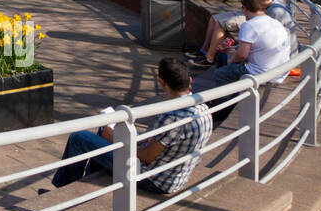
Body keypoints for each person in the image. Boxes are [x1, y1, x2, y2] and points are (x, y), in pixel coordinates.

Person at [51, 57, 212, 193]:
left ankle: (61, 188)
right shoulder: (203, 108)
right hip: (172, 172)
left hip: (154, 179)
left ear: (162, 82)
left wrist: (115, 139)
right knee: (104, 129)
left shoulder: (173, 116)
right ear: (189, 81)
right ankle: (88, 182)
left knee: (79, 138)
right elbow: (164, 144)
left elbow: (147, 156)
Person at [197, 0, 293, 127]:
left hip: (261, 73)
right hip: (280, 71)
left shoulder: (249, 25)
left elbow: (242, 55)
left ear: (245, 8)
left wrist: (231, 59)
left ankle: (221, 107)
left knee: (221, 73)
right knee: (225, 59)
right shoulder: (274, 23)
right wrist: (235, 50)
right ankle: (228, 94)